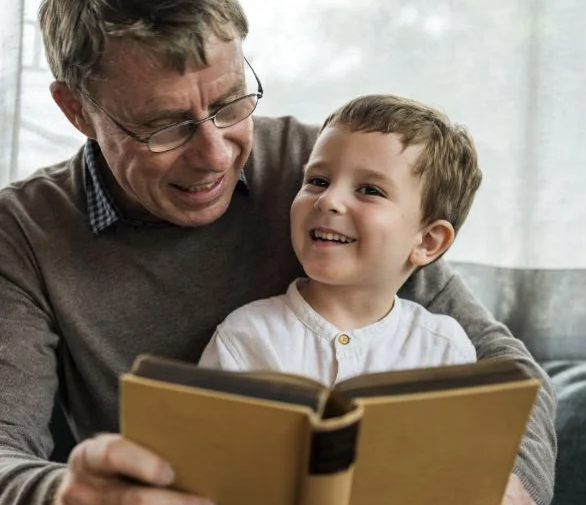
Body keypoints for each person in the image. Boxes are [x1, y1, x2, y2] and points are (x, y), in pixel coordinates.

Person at [0, 0, 556, 505]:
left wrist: (511, 496)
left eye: (231, 104)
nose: (215, 152)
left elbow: (513, 378)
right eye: (163, 124)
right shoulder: (22, 231)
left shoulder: (324, 177)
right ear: (77, 110)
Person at [200, 94, 481, 381]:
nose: (328, 199)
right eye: (318, 181)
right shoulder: (245, 339)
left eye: (370, 190)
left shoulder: (447, 351)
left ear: (428, 242)